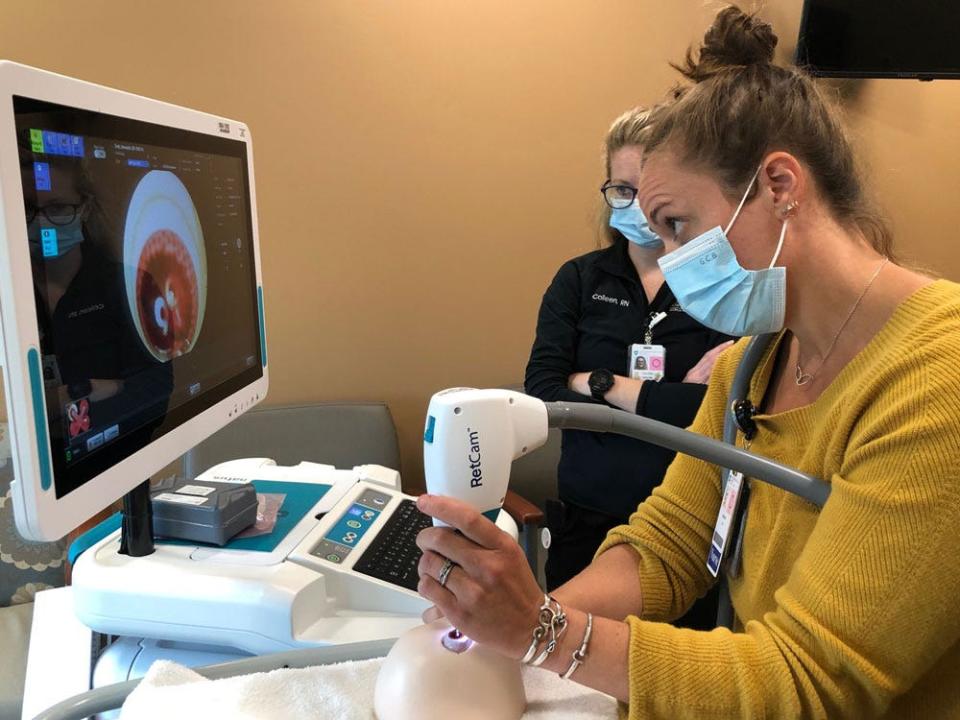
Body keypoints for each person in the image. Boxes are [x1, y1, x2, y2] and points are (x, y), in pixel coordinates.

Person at [415, 6, 960, 718]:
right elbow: (671, 542)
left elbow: (811, 679)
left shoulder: (935, 380)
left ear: (778, 186)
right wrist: (501, 620)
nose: (669, 260)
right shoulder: (753, 367)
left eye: (676, 226)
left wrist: (543, 633)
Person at [523, 108, 733, 627]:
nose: (636, 206)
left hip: (689, 525)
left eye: (649, 190)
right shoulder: (578, 279)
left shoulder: (719, 285)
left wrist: (594, 384)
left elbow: (717, 408)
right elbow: (543, 393)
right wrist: (635, 391)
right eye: (621, 190)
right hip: (588, 519)